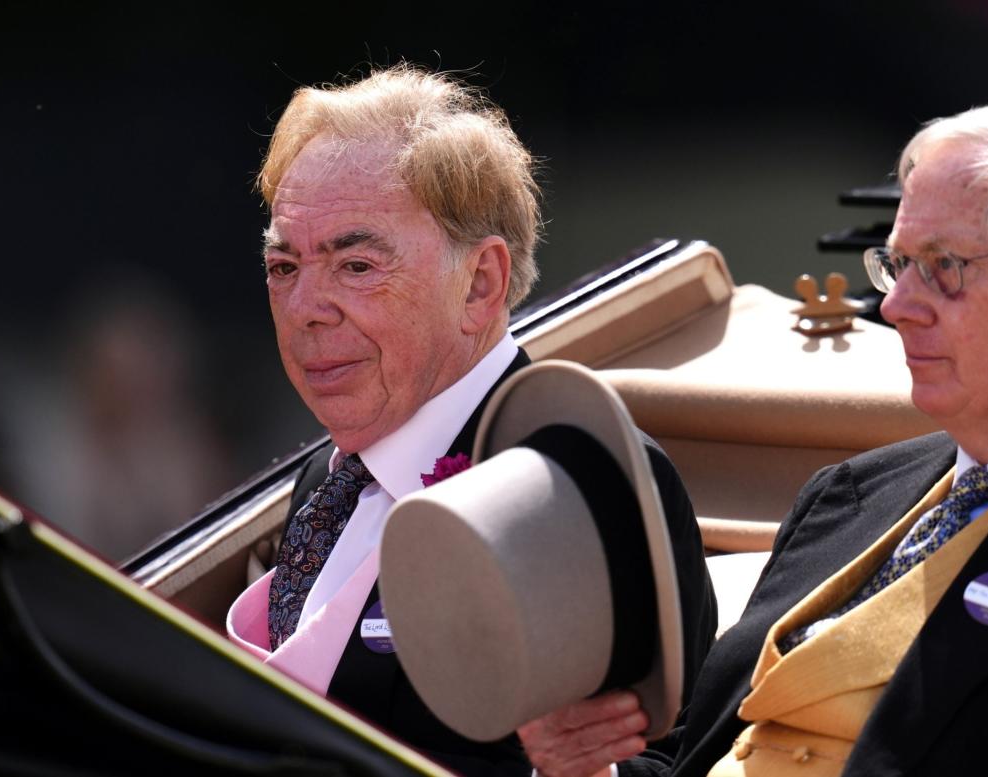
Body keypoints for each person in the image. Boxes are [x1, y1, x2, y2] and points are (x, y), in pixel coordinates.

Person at [519, 101, 988, 777]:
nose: (895, 306)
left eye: (945, 266)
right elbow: (690, 755)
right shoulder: (851, 492)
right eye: (895, 264)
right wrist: (585, 762)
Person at [223, 65, 717, 776]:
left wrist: (573, 770)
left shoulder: (579, 486)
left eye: (356, 266)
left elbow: (686, 764)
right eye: (282, 265)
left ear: (479, 284)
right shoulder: (326, 479)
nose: (305, 308)